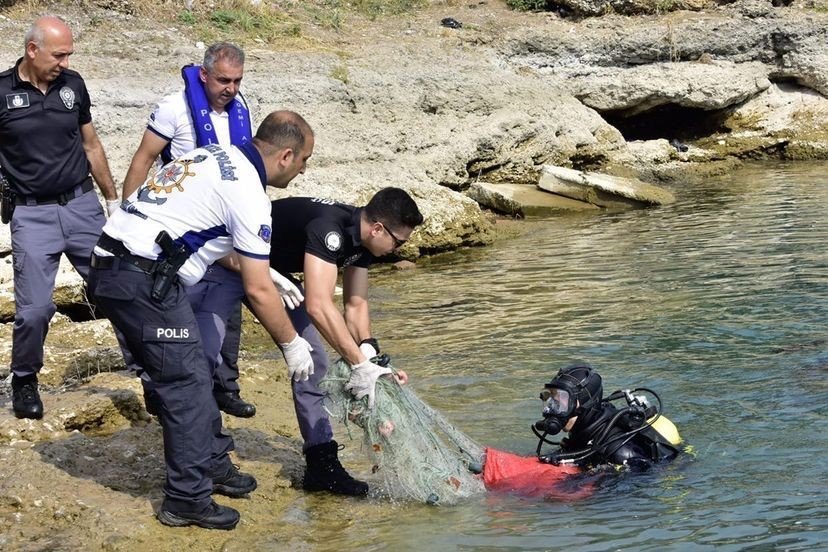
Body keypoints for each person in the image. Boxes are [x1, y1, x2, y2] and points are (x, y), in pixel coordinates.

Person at [88, 110, 315, 530]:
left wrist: (266, 271)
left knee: (194, 368)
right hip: (139, 276)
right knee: (186, 387)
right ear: (286, 156)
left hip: (124, 266)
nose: (303, 171)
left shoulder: (213, 155)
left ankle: (212, 462)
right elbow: (257, 290)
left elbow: (210, 238)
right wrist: (292, 344)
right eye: (304, 162)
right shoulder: (249, 194)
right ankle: (186, 499)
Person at [121, 41, 258, 418]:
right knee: (174, 310)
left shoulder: (241, 109)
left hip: (223, 228)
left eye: (237, 81)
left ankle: (225, 386)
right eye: (222, 80)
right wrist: (130, 216)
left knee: (229, 307)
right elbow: (143, 160)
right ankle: (158, 383)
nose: (230, 88)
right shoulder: (174, 109)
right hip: (180, 228)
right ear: (203, 74)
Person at [0, 15, 119, 420]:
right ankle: (24, 379)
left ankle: (153, 376)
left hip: (83, 206)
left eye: (69, 54)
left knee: (118, 291)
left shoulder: (73, 85)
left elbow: (92, 145)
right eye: (58, 54)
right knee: (33, 309)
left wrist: (113, 201)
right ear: (32, 50)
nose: (65, 62)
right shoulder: (1, 92)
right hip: (32, 215)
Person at [268, 188, 423, 496]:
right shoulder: (330, 230)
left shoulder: (363, 238)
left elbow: (355, 304)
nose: (397, 249)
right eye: (398, 241)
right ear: (378, 228)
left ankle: (321, 465)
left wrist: (368, 348)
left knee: (315, 363)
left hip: (276, 272)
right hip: (233, 260)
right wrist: (359, 364)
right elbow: (319, 305)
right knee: (214, 359)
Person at [533, 364, 682, 470]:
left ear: (584, 404)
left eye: (561, 403)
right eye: (550, 400)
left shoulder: (620, 451)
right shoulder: (581, 433)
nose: (552, 409)